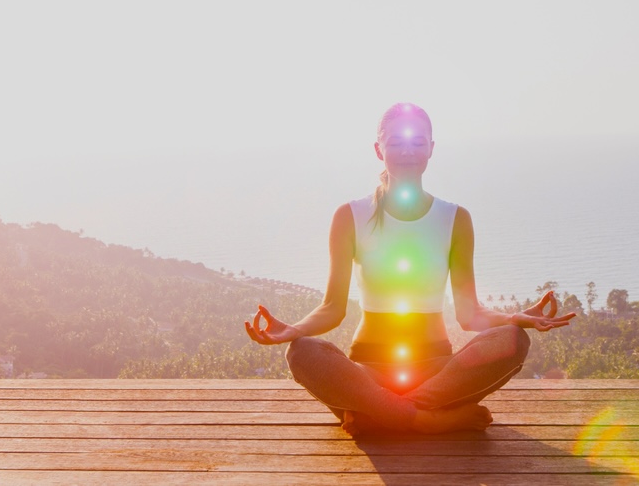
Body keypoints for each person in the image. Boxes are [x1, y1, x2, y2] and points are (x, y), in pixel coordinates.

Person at [244, 103, 575, 435]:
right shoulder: (350, 216)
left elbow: (469, 314)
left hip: (437, 371)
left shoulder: (455, 219)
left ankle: (381, 416)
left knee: (513, 341)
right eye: (396, 142)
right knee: (302, 352)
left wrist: (514, 319)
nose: (407, 150)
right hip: (369, 371)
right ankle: (428, 420)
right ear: (379, 149)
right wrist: (294, 330)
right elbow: (332, 309)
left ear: (431, 149)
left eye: (418, 142)